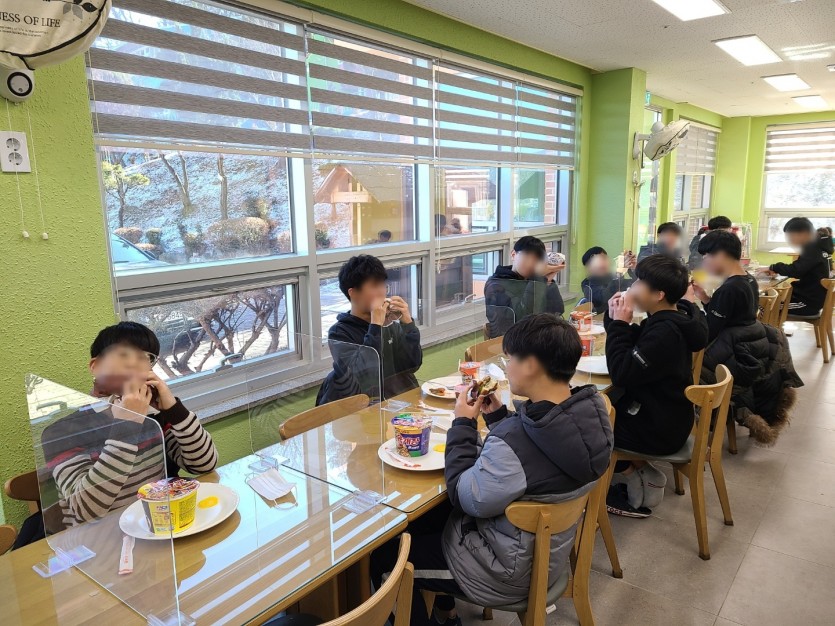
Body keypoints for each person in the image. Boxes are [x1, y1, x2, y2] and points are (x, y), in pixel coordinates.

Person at [370, 314, 613, 626]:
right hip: (546, 554)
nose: (506, 366)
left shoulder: (512, 444)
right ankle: (447, 613)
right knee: (426, 520)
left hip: (504, 571)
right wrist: (499, 416)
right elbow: (536, 453)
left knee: (385, 558)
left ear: (530, 365)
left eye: (509, 359)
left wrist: (463, 423)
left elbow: (465, 497)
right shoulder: (590, 411)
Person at [41, 322, 218, 529]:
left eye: (145, 357)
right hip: (101, 537)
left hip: (158, 524)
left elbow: (203, 465)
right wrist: (127, 424)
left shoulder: (154, 416)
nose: (135, 364)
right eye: (124, 355)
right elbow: (85, 510)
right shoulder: (62, 431)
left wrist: (174, 410)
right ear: (95, 366)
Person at [604, 255, 708, 517]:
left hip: (658, 429)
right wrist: (615, 318)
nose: (633, 286)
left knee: (590, 427)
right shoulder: (671, 319)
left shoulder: (665, 333)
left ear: (659, 294)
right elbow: (637, 344)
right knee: (599, 408)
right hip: (670, 416)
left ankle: (631, 474)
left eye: (639, 281)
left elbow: (622, 374)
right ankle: (643, 472)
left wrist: (619, 325)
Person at [316, 255, 422, 404]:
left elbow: (412, 365)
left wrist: (408, 325)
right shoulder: (339, 333)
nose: (382, 292)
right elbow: (364, 378)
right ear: (353, 293)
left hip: (399, 402)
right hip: (365, 407)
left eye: (383, 285)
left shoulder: (390, 324)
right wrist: (375, 325)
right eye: (374, 286)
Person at [483, 235, 564, 338]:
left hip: (538, 337)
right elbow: (523, 321)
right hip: (512, 341)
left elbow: (557, 310)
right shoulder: (495, 285)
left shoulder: (535, 280)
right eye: (527, 257)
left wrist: (548, 280)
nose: (531, 264)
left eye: (537, 260)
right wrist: (538, 279)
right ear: (513, 254)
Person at [691, 230, 759, 342]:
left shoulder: (729, 289)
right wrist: (704, 298)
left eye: (705, 258)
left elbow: (708, 331)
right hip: (744, 343)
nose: (704, 264)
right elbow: (725, 314)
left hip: (728, 347)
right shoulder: (749, 280)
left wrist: (690, 304)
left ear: (721, 255)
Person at [760, 217, 833, 317]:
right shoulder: (820, 248)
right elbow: (802, 270)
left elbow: (796, 270)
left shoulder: (813, 249)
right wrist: (776, 269)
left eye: (791, 236)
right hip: (812, 299)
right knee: (765, 299)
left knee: (764, 306)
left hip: (806, 303)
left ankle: (770, 327)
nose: (790, 240)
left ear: (803, 234)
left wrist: (774, 267)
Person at [579, 246, 636, 313]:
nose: (604, 263)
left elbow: (634, 286)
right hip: (599, 318)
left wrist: (633, 269)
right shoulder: (587, 283)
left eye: (605, 258)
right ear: (589, 267)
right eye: (599, 260)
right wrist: (619, 273)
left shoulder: (612, 277)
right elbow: (603, 298)